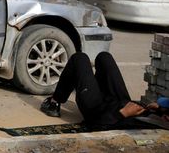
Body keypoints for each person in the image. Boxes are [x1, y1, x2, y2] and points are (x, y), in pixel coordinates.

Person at [40, 51, 169, 130]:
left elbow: (98, 126)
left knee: (80, 59)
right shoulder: (159, 116)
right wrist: (160, 106)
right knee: (104, 57)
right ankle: (93, 85)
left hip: (99, 111)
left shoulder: (155, 126)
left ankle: (54, 103)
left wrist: (122, 113)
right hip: (119, 102)